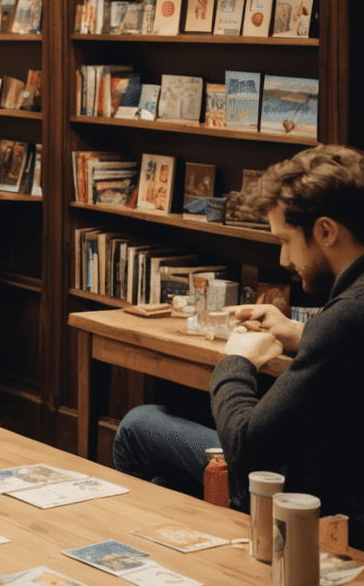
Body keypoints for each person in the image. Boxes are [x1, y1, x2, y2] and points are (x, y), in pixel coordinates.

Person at [113, 143, 364, 547]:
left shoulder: (347, 317)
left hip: (320, 500)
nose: (284, 259)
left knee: (137, 426)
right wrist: (300, 336)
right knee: (168, 471)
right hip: (332, 467)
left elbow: (247, 448)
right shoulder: (348, 313)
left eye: (285, 240)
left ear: (326, 231)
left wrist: (236, 362)